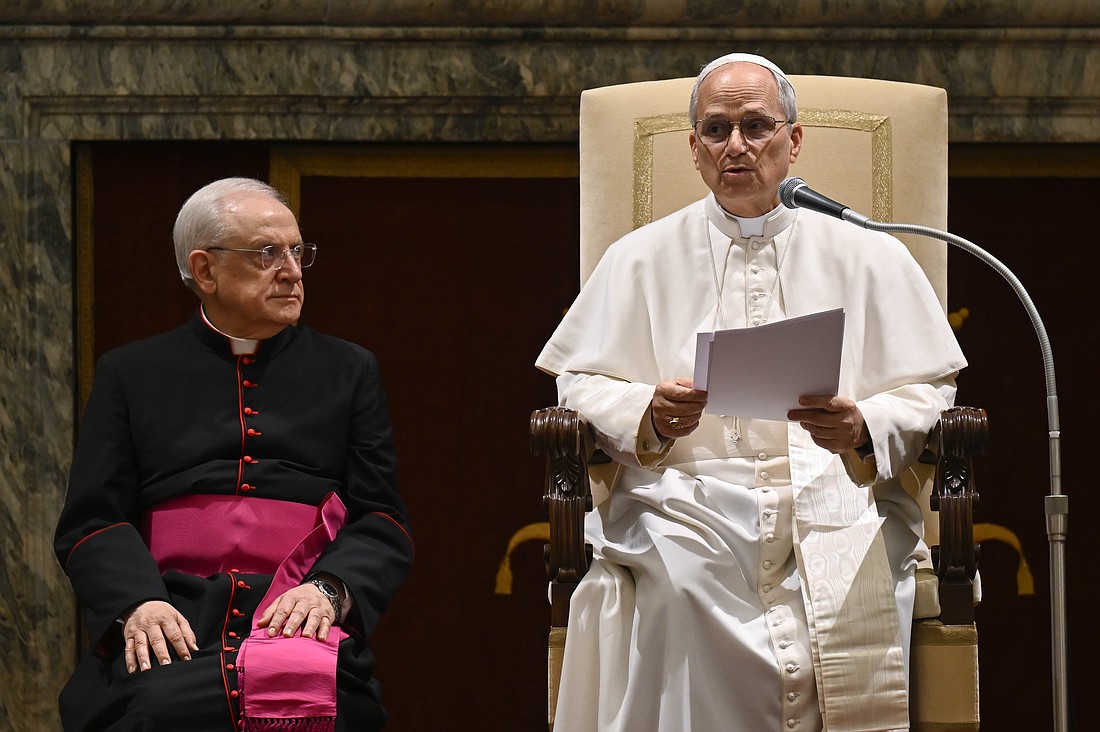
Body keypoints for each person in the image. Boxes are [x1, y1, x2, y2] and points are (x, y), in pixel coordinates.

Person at [536, 53, 966, 731]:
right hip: (688, 503)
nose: (735, 145)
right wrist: (648, 414)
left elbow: (933, 390)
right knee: (677, 592)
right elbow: (578, 382)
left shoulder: (873, 255)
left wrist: (863, 424)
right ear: (694, 149)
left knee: (851, 575)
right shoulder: (639, 257)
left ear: (793, 140)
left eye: (756, 125)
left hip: (839, 497)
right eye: (716, 129)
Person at [55, 177, 413, 731]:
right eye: (267, 253)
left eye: (297, 251)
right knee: (151, 710)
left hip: (298, 617)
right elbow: (92, 520)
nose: (292, 270)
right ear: (204, 270)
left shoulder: (349, 371)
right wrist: (137, 602)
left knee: (335, 710)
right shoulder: (132, 374)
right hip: (175, 614)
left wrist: (329, 589)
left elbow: (382, 518)